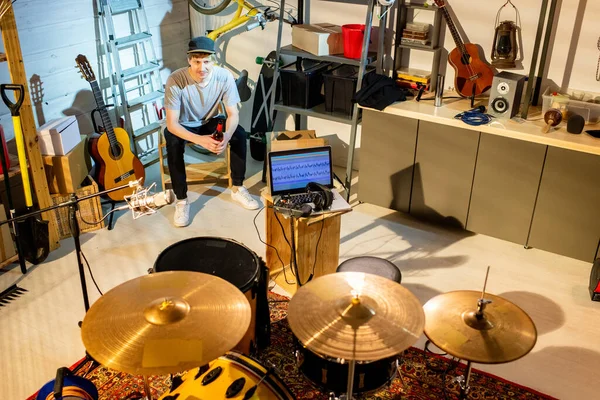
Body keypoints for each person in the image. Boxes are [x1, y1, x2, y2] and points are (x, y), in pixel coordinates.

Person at [164, 36, 259, 227]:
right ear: (189, 60)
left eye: (206, 61)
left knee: (239, 134)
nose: (202, 67)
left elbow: (233, 114)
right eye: (197, 61)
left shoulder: (223, 77)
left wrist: (226, 138)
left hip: (209, 120)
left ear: (213, 60)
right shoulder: (176, 79)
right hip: (184, 123)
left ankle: (238, 188)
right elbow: (172, 124)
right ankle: (182, 200)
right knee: (173, 142)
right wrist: (201, 140)